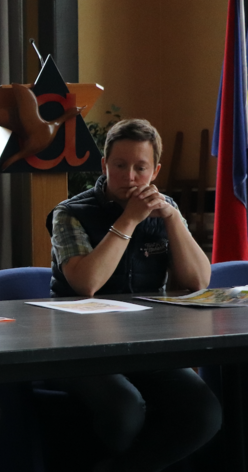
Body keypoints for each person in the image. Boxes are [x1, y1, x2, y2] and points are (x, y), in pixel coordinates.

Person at [46, 118, 221, 471]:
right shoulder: (70, 213)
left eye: (140, 168)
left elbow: (198, 281)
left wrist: (171, 219)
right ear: (104, 166)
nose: (129, 177)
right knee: (124, 410)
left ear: (154, 171)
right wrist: (128, 220)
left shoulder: (163, 209)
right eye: (120, 166)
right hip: (77, 347)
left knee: (204, 413)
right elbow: (87, 283)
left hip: (145, 343)